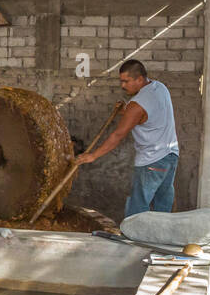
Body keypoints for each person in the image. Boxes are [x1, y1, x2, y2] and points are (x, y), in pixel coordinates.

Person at [74, 59, 179, 217]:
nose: (122, 85)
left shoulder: (137, 105)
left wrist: (92, 156)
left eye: (126, 81)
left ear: (139, 79)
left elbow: (118, 135)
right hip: (170, 157)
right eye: (121, 81)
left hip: (151, 161)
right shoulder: (159, 87)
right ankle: (160, 240)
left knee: (137, 206)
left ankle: (130, 240)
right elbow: (148, 115)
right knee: (163, 205)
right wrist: (126, 111)